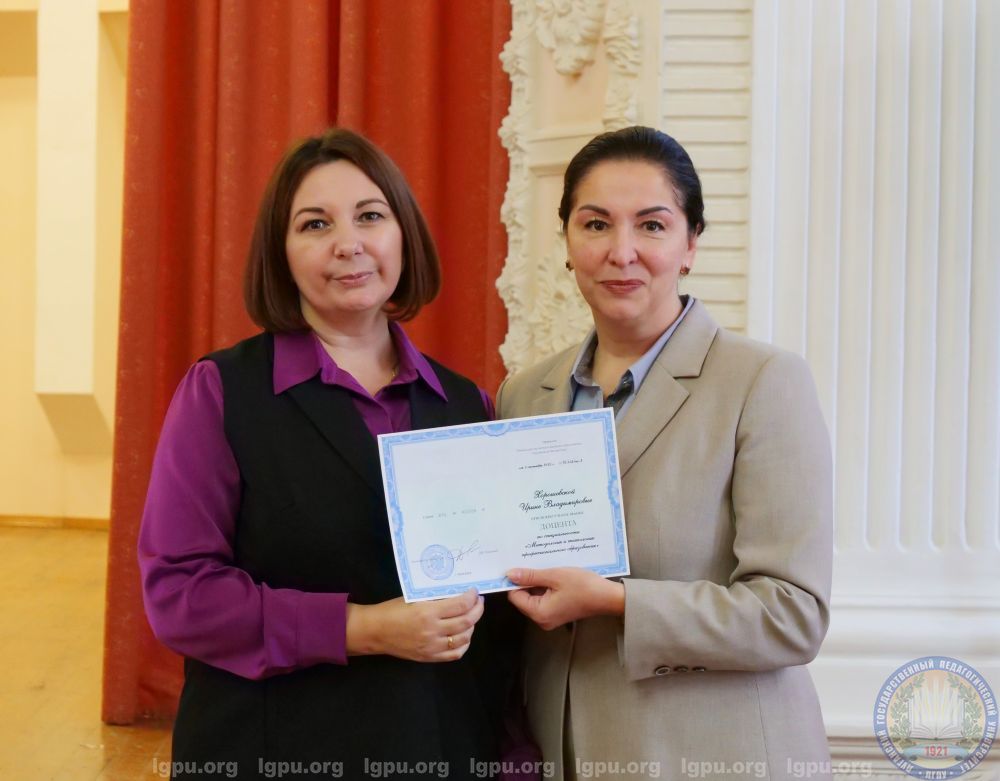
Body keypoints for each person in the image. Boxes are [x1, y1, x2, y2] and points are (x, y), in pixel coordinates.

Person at [139, 128, 517, 780]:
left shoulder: (467, 404)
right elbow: (180, 594)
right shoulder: (222, 391)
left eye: (370, 216)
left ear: (403, 235)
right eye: (315, 224)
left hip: (435, 742)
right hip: (266, 744)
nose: (349, 243)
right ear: (281, 254)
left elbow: (494, 616)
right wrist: (362, 628)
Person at [497, 126, 833, 781]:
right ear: (566, 241)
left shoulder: (763, 381)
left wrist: (617, 601)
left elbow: (792, 614)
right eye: (596, 224)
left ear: (690, 244)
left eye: (651, 225)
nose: (621, 251)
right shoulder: (523, 394)